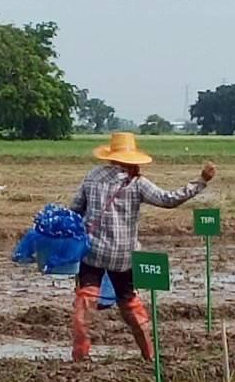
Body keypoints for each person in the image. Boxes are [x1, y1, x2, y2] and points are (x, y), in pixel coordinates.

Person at [69, 132, 216, 362]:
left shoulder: (92, 176)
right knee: (129, 302)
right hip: (124, 256)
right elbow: (168, 200)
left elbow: (75, 209)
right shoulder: (137, 183)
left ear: (111, 156)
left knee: (85, 301)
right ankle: (149, 355)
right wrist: (201, 181)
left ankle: (80, 356)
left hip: (93, 252)